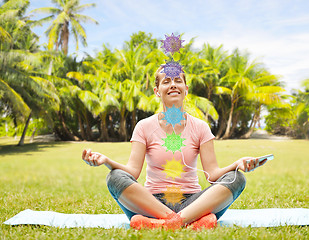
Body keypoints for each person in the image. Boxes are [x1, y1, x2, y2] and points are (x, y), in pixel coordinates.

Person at [82, 65, 262, 230]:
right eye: (166, 81)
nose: (173, 85)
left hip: (193, 202)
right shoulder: (144, 126)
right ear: (157, 91)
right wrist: (106, 161)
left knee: (237, 179)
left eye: (178, 81)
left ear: (186, 90)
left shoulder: (200, 127)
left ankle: (165, 224)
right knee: (114, 177)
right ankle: (189, 223)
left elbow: (213, 174)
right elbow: (132, 172)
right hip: (151, 203)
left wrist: (237, 164)